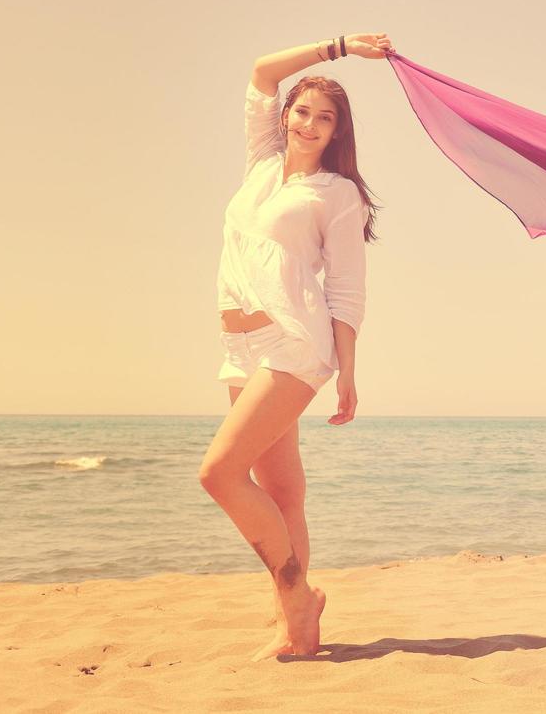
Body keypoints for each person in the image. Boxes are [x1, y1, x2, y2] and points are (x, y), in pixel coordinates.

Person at [198, 33, 389, 660]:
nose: (309, 123)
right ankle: (297, 626)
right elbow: (260, 69)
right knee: (280, 491)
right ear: (286, 116)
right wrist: (337, 47)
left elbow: (346, 290)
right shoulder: (260, 162)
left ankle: (297, 594)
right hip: (240, 345)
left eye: (325, 117)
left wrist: (349, 373)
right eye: (302, 111)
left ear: (338, 132)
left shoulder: (338, 194)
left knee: (219, 473)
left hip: (294, 345)